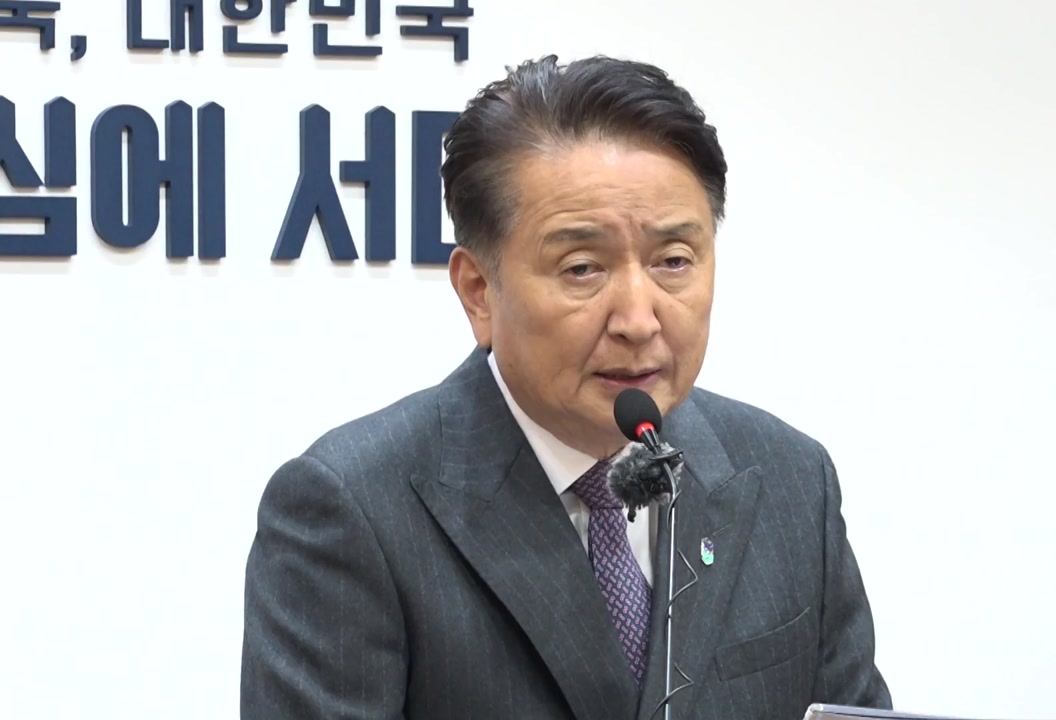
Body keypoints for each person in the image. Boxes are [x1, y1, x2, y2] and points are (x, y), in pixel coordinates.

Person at [239, 54, 892, 720]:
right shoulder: (352, 510)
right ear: (478, 290)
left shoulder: (789, 480)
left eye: (673, 261)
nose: (639, 320)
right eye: (582, 268)